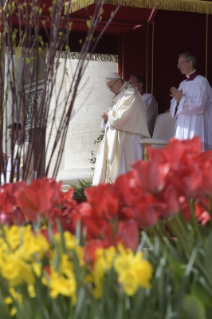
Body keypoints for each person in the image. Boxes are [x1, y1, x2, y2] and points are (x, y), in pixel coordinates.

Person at [92, 72, 150, 185]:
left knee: (127, 166)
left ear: (119, 82)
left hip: (130, 136)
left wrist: (109, 115)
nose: (110, 90)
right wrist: (105, 118)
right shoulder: (120, 95)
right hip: (121, 135)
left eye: (111, 86)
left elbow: (125, 115)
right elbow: (114, 115)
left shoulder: (130, 92)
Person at [170, 52, 212, 150]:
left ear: (190, 63)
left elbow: (200, 105)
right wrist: (177, 102)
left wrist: (182, 99)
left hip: (196, 125)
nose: (179, 66)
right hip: (182, 126)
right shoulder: (182, 84)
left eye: (181, 63)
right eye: (178, 64)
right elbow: (174, 108)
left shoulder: (202, 81)